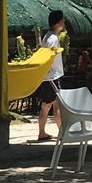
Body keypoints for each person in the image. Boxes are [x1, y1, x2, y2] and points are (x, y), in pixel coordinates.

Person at [36, 11, 65, 141]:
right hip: (52, 76)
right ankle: (62, 133)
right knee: (56, 105)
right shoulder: (53, 39)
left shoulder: (48, 37)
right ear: (58, 23)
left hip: (47, 76)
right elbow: (50, 57)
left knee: (45, 106)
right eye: (62, 21)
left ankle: (42, 133)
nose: (63, 23)